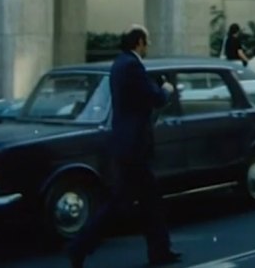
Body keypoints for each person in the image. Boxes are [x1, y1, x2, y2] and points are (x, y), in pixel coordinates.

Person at [68, 25, 182, 268]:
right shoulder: (132, 65)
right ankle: (80, 246)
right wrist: (166, 89)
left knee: (149, 201)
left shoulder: (120, 64)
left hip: (126, 144)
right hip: (134, 147)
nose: (148, 47)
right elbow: (155, 98)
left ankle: (160, 251)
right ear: (139, 42)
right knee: (121, 205)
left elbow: (136, 98)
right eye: (147, 42)